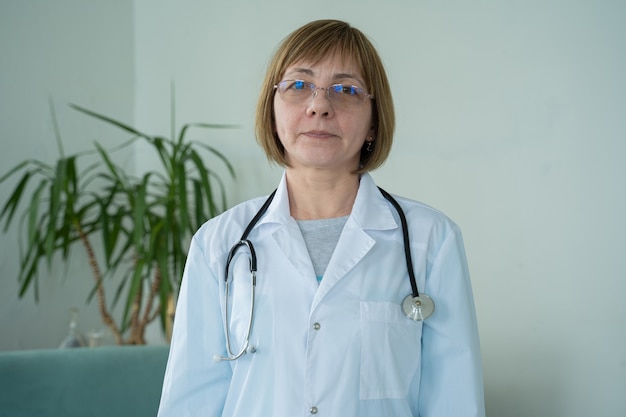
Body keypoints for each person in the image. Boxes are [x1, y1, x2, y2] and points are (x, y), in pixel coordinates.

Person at [157, 19, 485, 417]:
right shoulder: (219, 243)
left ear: (373, 123)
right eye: (298, 85)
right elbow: (191, 400)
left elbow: (454, 400)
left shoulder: (430, 240)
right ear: (271, 110)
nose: (319, 105)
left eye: (346, 90)